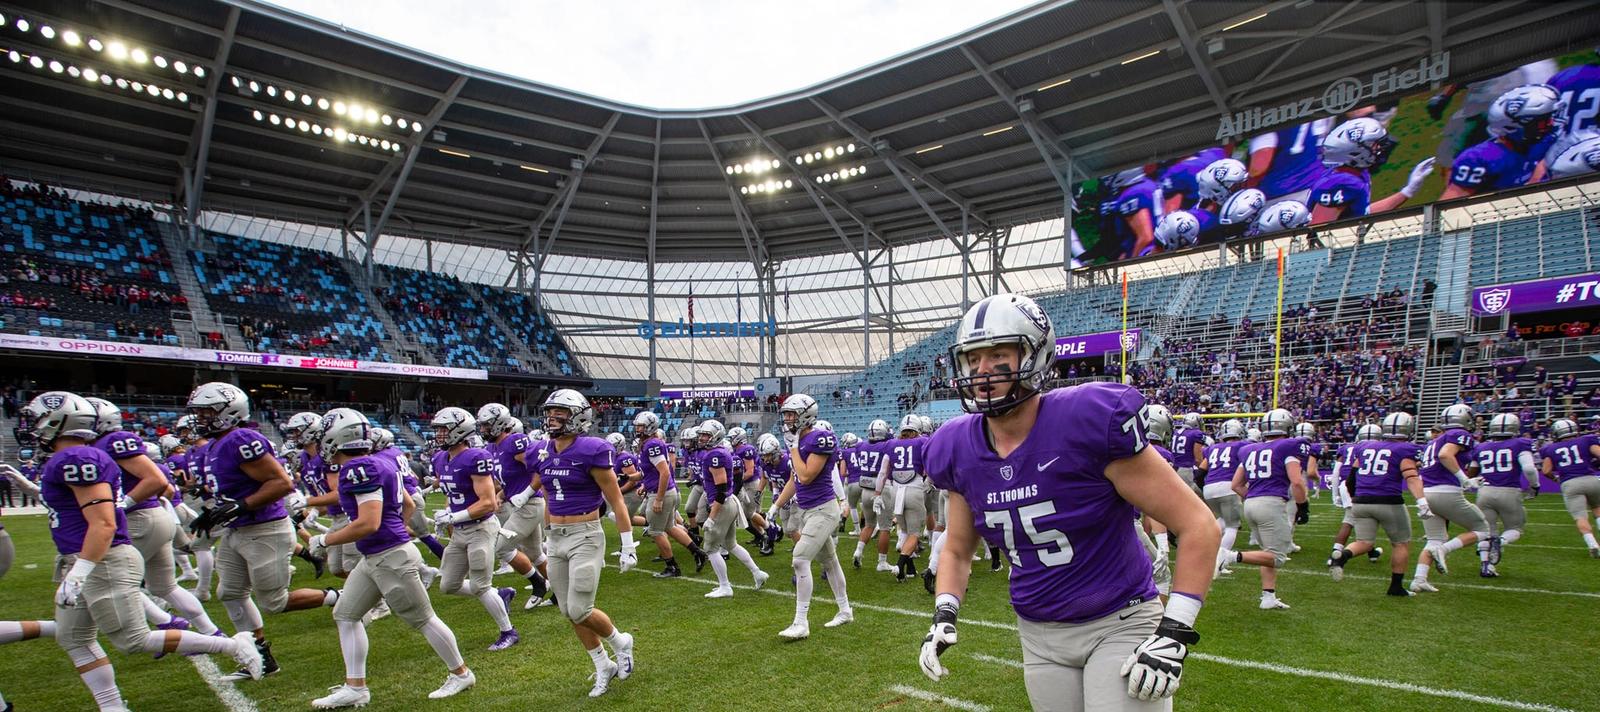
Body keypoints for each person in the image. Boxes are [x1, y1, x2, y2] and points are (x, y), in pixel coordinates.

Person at [919, 294, 1220, 710]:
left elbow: (1198, 524)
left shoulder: (1086, 420)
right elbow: (956, 548)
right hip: (1039, 635)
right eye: (973, 359)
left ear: (1036, 355)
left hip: (1120, 621)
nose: (982, 371)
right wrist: (945, 612)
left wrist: (1175, 632)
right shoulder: (956, 446)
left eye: (998, 355)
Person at [19, 391, 262, 711]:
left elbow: (104, 524)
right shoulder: (73, 457)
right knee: (74, 639)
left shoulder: (76, 458)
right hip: (85, 557)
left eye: (37, 419)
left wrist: (79, 573)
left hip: (102, 559)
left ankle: (233, 645)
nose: (33, 427)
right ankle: (113, 707)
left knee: (134, 640)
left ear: (59, 421)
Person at [306, 409, 475, 707]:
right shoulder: (377, 462)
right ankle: (356, 686)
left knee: (423, 619)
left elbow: (368, 523)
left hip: (389, 555)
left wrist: (324, 539)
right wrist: (396, 528)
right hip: (375, 555)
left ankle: (461, 674)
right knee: (345, 614)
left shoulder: (358, 469)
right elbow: (408, 504)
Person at [186, 382, 336, 682]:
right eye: (199, 411)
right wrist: (215, 513)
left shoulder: (241, 438)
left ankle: (338, 597)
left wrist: (241, 505)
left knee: (274, 602)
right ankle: (260, 656)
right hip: (237, 529)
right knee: (230, 592)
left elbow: (281, 483)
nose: (200, 417)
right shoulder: (215, 445)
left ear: (228, 411)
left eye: (207, 411)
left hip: (265, 527)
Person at [527, 389, 638, 698]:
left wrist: (628, 545)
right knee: (567, 610)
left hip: (585, 535)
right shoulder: (542, 450)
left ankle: (620, 641)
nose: (552, 417)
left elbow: (616, 500)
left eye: (560, 412)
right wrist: (548, 532)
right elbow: (548, 494)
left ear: (578, 416)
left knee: (580, 608)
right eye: (551, 412)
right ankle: (603, 664)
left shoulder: (593, 449)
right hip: (558, 537)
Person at [427, 407, 520, 650]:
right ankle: (501, 594)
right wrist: (447, 513)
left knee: (480, 585)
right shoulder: (440, 458)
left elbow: (488, 503)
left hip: (481, 527)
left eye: (443, 429)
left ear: (459, 430)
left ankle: (508, 631)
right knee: (449, 585)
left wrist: (453, 516)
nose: (439, 434)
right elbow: (451, 492)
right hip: (460, 530)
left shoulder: (475, 457)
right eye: (438, 429)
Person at [767, 394, 853, 639]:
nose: (787, 418)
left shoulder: (820, 438)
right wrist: (776, 506)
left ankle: (801, 622)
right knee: (830, 562)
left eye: (792, 413)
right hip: (807, 510)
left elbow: (806, 476)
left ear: (806, 414)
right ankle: (845, 610)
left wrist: (793, 447)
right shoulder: (797, 440)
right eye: (785, 414)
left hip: (824, 510)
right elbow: (795, 479)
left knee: (799, 559)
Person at [1327, 412, 1425, 596]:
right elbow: (1411, 476)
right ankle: (1396, 586)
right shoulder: (1406, 449)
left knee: (1363, 542)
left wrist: (1356, 497)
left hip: (1361, 501)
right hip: (1389, 501)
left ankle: (1342, 556)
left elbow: (1351, 478)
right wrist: (1422, 501)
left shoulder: (1364, 447)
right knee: (1401, 544)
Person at [1222, 408, 1308, 610]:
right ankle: (1229, 556)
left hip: (1250, 503)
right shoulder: (1290, 446)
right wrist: (1303, 505)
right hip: (1270, 503)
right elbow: (1296, 481)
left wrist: (1253, 497)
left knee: (1267, 552)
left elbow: (1236, 484)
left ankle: (1268, 596)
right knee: (1277, 556)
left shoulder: (1249, 449)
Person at [1412, 404, 1493, 593]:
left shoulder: (1434, 440)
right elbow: (1445, 455)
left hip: (1426, 493)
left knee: (1434, 539)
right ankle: (1445, 550)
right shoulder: (1458, 434)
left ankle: (1419, 579)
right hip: (1446, 491)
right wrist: (1465, 480)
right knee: (1482, 530)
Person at [693, 419, 768, 598]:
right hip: (728, 501)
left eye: (706, 435)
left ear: (715, 436)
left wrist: (711, 516)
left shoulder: (714, 456)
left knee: (710, 548)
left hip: (723, 503)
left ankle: (725, 586)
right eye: (702, 434)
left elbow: (720, 488)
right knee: (730, 544)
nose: (702, 438)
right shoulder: (718, 452)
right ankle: (758, 573)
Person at [630, 411, 706, 577]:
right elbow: (651, 471)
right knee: (670, 527)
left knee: (655, 531)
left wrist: (658, 498)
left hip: (661, 493)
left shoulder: (652, 445)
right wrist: (642, 483)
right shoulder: (649, 443)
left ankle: (672, 567)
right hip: (662, 491)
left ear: (649, 427)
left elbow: (664, 472)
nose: (637, 429)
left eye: (641, 426)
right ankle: (698, 552)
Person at [1466, 413, 1539, 577]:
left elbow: (1471, 471)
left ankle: (1487, 566)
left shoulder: (1481, 447)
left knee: (1486, 530)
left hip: (1484, 491)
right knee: (1515, 529)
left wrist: (1472, 482)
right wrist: (1534, 486)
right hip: (1509, 491)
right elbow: (1529, 469)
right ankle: (1502, 541)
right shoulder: (1521, 443)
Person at [877, 414, 929, 582]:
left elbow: (883, 472)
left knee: (905, 531)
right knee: (914, 533)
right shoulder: (923, 442)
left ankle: (909, 570)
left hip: (895, 490)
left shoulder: (891, 444)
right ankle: (900, 565)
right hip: (914, 488)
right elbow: (931, 464)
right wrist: (930, 482)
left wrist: (878, 494)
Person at [1539, 418, 1600, 557]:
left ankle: (1593, 544)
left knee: (1580, 517)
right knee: (1597, 509)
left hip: (1570, 483)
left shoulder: (1550, 448)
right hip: (1591, 479)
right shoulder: (1586, 440)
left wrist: (1556, 479)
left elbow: (1546, 471)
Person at [852, 419, 894, 571]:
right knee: (884, 528)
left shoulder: (860, 445)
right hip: (881, 488)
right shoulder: (887, 445)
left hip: (865, 489)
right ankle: (882, 562)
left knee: (869, 524)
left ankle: (858, 551)